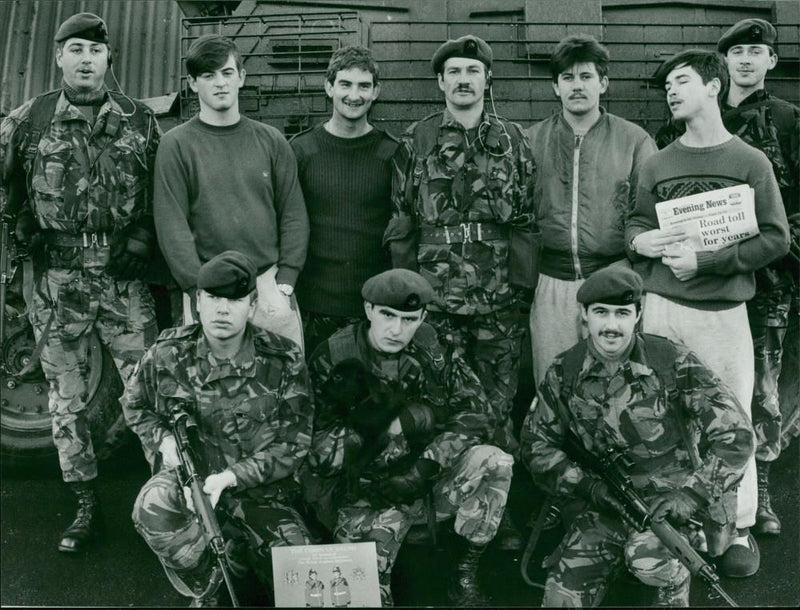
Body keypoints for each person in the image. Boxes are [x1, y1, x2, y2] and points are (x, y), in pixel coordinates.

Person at [626, 49, 789, 578]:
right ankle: (675, 526)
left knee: (730, 418)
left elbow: (776, 238)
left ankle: (735, 526)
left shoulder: (750, 162)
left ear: (714, 86)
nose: (671, 92)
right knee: (663, 417)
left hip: (723, 312)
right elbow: (634, 223)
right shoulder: (657, 162)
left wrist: (710, 261)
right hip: (662, 310)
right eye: (667, 86)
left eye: (682, 82)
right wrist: (642, 242)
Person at [0, 12, 160, 553]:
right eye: (76, 49)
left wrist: (144, 236)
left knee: (150, 391)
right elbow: (5, 183)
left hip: (121, 280)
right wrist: (20, 221)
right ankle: (86, 504)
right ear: (59, 57)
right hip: (56, 280)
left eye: (95, 50)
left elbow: (164, 187)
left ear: (108, 57)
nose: (86, 59)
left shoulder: (139, 119)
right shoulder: (30, 119)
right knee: (66, 401)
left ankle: (172, 498)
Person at [521, 266, 755, 606]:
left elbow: (736, 436)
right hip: (604, 507)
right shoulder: (565, 371)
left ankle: (672, 587)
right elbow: (536, 446)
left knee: (647, 559)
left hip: (669, 510)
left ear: (638, 314)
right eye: (601, 312)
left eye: (622, 313)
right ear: (584, 315)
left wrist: (690, 496)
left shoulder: (672, 362)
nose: (611, 326)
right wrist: (588, 487)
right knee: (560, 601)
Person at [302, 269, 514, 606]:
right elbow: (317, 451)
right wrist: (388, 428)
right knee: (360, 597)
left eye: (409, 319)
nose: (397, 330)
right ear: (369, 309)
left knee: (495, 461)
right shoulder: (336, 355)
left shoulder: (433, 345)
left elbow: (477, 412)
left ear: (423, 317)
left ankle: (464, 569)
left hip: (425, 478)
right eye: (387, 315)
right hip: (366, 492)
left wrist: (427, 465)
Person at [122, 251, 313, 606]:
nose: (223, 309)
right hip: (189, 488)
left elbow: (294, 444)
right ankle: (205, 579)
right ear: (198, 302)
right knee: (152, 505)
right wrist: (163, 441)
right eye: (213, 298)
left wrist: (231, 478)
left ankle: (240, 562)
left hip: (260, 494)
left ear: (252, 306)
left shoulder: (283, 359)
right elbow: (135, 405)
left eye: (235, 300)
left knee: (300, 579)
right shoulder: (167, 352)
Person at [385, 34, 536, 456]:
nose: (463, 79)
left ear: (488, 79)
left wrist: (521, 289)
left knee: (498, 401)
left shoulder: (513, 139)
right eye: (454, 72)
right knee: (439, 397)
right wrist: (410, 293)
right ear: (441, 81)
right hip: (436, 296)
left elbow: (527, 216)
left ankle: (497, 482)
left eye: (473, 71)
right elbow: (401, 219)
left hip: (499, 298)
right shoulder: (417, 139)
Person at [153, 34, 309, 347]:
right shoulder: (176, 145)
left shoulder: (271, 140)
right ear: (193, 83)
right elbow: (172, 225)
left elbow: (293, 213)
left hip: (268, 285)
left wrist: (286, 279)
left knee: (283, 374)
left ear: (242, 77)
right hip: (209, 288)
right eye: (208, 75)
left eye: (227, 73)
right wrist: (196, 288)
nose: (220, 83)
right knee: (209, 376)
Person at [526, 34, 657, 385]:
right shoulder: (531, 141)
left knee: (616, 386)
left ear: (603, 83)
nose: (577, 86)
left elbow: (649, 216)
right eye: (567, 78)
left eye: (586, 76)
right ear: (555, 87)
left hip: (612, 282)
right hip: (551, 283)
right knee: (554, 382)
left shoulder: (635, 140)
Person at [716, 18, 800, 539]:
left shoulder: (789, 120)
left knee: (766, 388)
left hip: (771, 281)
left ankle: (760, 488)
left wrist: (781, 244)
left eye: (756, 52)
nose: (746, 60)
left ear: (771, 60)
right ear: (723, 61)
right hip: (712, 279)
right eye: (737, 52)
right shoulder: (700, 117)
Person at [291, 46, 398, 355]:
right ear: (329, 87)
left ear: (376, 91)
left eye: (364, 86)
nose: (354, 95)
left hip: (372, 311)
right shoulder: (301, 150)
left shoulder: (392, 152)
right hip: (313, 308)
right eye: (345, 84)